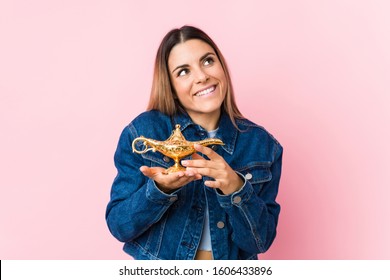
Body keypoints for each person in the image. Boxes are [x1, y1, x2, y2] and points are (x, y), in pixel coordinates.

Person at [106, 25, 283, 260]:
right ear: (171, 87)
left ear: (222, 66)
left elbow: (260, 241)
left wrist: (235, 188)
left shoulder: (262, 145)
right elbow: (120, 226)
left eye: (208, 61)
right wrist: (161, 190)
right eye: (183, 71)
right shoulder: (143, 131)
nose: (201, 77)